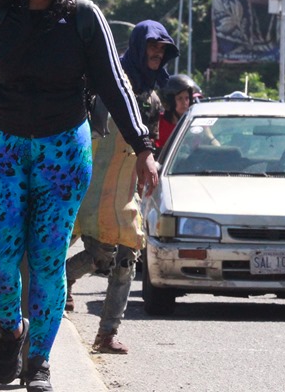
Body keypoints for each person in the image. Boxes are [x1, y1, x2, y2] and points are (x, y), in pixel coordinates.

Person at [0, 0, 158, 391]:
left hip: (63, 152)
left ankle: (38, 362)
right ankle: (12, 329)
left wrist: (143, 148)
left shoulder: (85, 17)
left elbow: (115, 84)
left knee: (48, 259)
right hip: (4, 148)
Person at [66, 19, 178, 355]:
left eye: (162, 49)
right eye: (152, 47)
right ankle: (61, 280)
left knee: (127, 254)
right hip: (92, 177)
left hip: (126, 185)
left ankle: (108, 333)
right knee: (95, 250)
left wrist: (148, 173)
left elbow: (151, 145)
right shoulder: (110, 81)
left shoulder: (154, 97)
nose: (157, 54)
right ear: (139, 45)